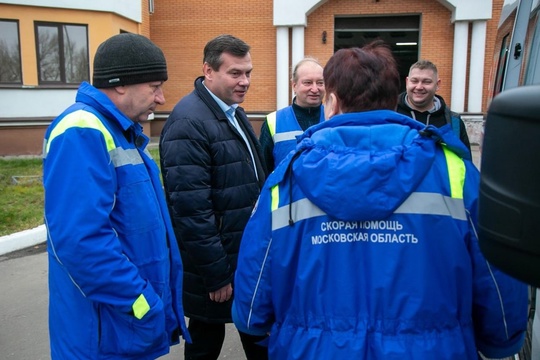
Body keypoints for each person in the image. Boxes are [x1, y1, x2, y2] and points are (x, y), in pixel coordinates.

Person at [232, 41, 528, 359]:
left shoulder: (287, 179)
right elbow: (497, 275)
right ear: (393, 99)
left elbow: (252, 303)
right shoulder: (454, 171)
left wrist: (261, 325)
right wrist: (501, 340)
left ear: (331, 101)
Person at [43, 33, 190, 359]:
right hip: (104, 334)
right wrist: (142, 304)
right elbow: (80, 242)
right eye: (154, 86)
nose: (161, 98)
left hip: (122, 328)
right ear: (120, 84)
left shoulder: (120, 132)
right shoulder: (83, 130)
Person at [159, 34, 268, 360]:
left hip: (242, 256)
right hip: (218, 267)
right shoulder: (189, 122)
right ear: (208, 70)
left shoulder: (232, 112)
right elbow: (192, 211)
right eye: (235, 73)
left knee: (251, 333)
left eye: (248, 72)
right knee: (207, 340)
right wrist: (216, 275)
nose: (245, 81)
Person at [259, 57, 325, 173]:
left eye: (320, 83)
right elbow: (262, 171)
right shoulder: (273, 122)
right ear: (294, 85)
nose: (315, 89)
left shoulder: (335, 118)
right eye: (308, 82)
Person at [397, 59, 471, 153]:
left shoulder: (454, 123)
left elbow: (466, 163)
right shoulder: (390, 116)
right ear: (407, 82)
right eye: (414, 81)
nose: (419, 87)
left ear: (437, 85)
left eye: (426, 82)